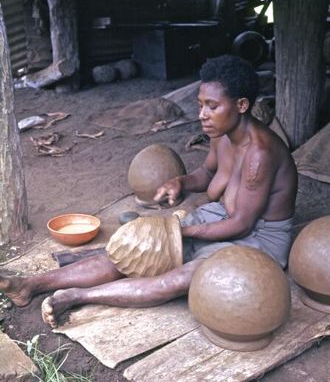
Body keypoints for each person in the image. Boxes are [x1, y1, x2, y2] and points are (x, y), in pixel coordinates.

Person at [0, 55, 297, 328]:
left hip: (258, 238)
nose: (203, 114)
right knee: (135, 250)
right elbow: (206, 175)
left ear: (242, 105)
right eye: (201, 104)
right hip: (220, 217)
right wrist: (179, 182)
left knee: (178, 277)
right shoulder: (220, 133)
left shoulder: (260, 153)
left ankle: (77, 297)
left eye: (212, 106)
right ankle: (31, 285)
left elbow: (242, 224)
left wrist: (178, 234)